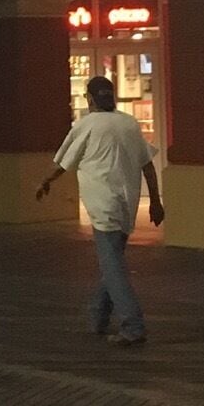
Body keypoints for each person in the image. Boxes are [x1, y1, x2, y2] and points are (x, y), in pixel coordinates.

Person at [37, 77, 165, 346]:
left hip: (102, 205)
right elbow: (148, 166)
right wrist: (154, 201)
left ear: (90, 99)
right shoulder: (129, 124)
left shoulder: (87, 125)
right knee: (112, 263)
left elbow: (63, 162)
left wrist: (45, 181)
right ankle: (98, 316)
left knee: (114, 268)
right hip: (126, 205)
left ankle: (133, 325)